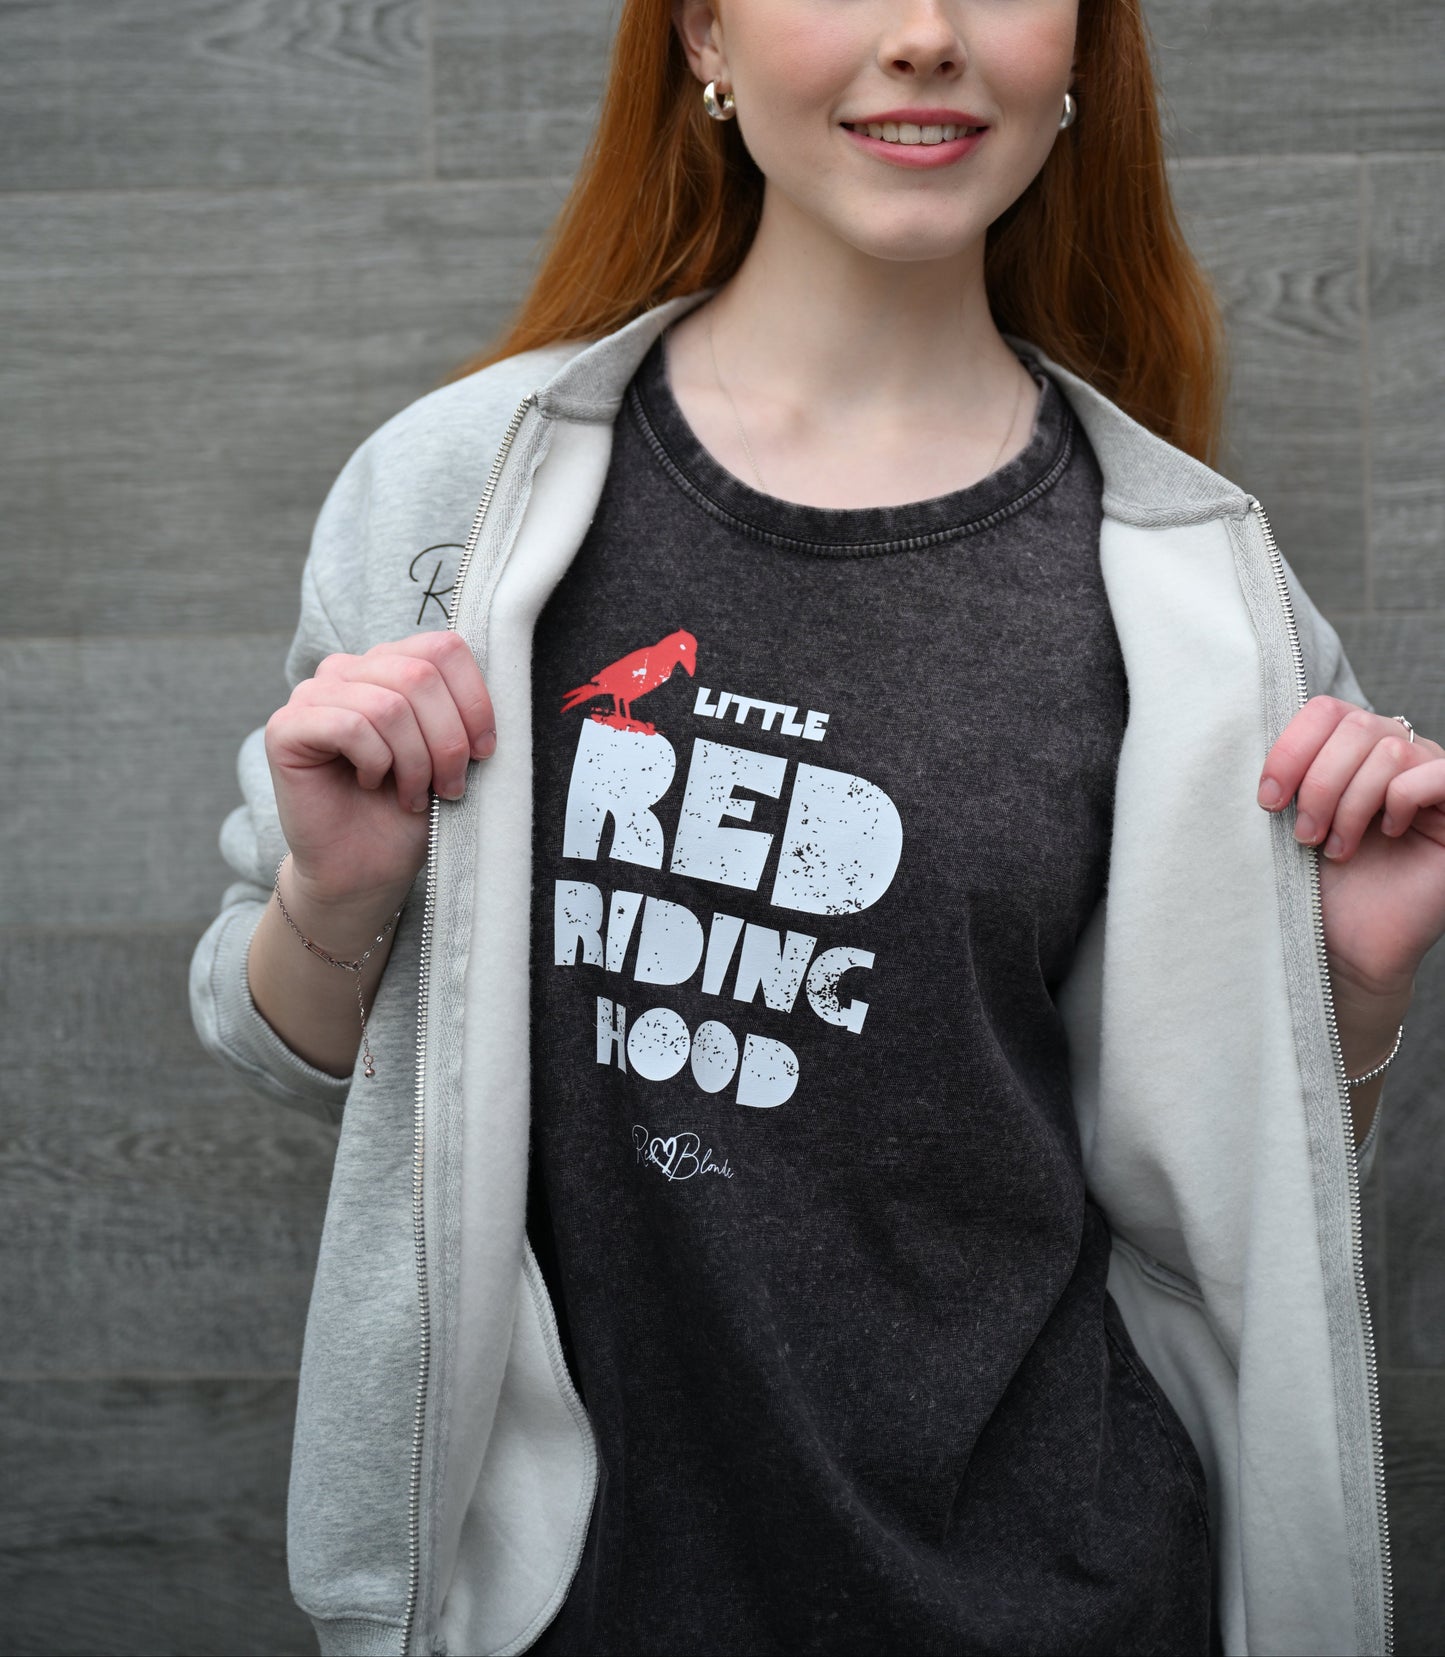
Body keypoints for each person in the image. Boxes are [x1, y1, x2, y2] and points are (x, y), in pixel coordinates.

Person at [189, 1, 1445, 1652]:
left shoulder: (1203, 603)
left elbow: (1230, 1206)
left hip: (1063, 1591)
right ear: (702, 34)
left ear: (1076, 50)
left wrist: (1342, 994)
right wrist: (341, 892)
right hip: (574, 1594)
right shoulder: (456, 505)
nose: (924, 37)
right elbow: (285, 1048)